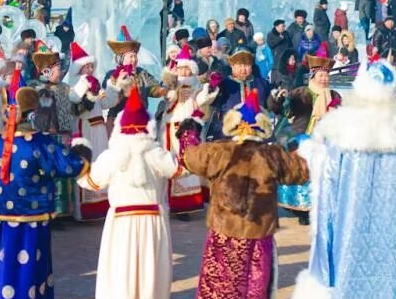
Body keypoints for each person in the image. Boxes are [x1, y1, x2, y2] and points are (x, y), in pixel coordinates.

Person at [290, 61, 396, 299]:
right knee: (388, 283)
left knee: (346, 279)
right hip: (392, 230)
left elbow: (328, 195)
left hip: (349, 228)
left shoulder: (340, 130)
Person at [184, 90, 308, 299]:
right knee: (252, 289)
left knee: (221, 286)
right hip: (257, 234)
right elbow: (301, 172)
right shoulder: (272, 155)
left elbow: (190, 157)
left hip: (223, 233)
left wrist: (189, 133)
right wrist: (295, 148)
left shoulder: (219, 151)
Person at [0, 87, 88, 299]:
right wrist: (83, 153)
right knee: (25, 266)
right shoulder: (40, 143)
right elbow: (70, 166)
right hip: (29, 221)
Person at [76, 87, 182, 299]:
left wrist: (80, 158)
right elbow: (178, 170)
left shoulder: (112, 155)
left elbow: (90, 181)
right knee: (149, 274)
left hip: (122, 223)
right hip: (151, 222)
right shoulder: (155, 152)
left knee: (121, 274)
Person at [268, 46, 340, 225]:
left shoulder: (334, 95)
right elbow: (281, 109)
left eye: (326, 75)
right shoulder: (301, 93)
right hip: (301, 138)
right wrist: (278, 98)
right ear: (313, 76)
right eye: (320, 75)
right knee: (301, 173)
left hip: (326, 141)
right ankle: (299, 209)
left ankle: (318, 207)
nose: (324, 79)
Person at [159, 46, 219, 216]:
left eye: (187, 69)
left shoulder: (196, 87)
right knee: (175, 162)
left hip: (191, 129)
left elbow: (201, 101)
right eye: (181, 68)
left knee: (192, 162)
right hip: (173, 130)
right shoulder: (172, 86)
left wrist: (210, 89)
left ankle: (190, 201)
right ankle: (174, 202)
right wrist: (170, 82)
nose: (184, 72)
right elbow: (168, 96)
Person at [28, 42, 75, 217]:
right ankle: (50, 209)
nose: (61, 72)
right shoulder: (37, 88)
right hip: (47, 136)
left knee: (64, 169)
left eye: (60, 68)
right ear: (46, 71)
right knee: (49, 171)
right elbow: (42, 114)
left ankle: (64, 211)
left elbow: (70, 109)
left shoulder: (63, 87)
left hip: (63, 136)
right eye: (56, 69)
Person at [67, 42, 110, 221]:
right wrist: (86, 84)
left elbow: (106, 104)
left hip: (99, 128)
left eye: (92, 66)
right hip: (85, 128)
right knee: (88, 162)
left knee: (101, 161)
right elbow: (74, 98)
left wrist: (112, 90)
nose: (90, 69)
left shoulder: (96, 83)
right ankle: (85, 209)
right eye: (87, 66)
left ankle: (102, 204)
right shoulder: (76, 83)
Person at [101, 26, 165, 135]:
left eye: (135, 56)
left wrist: (166, 87)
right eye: (131, 56)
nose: (134, 60)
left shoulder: (142, 73)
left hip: (140, 121)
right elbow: (107, 98)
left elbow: (155, 90)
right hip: (117, 122)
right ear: (121, 58)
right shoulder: (112, 75)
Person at [208, 47, 270, 139]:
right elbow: (212, 102)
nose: (243, 69)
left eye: (246, 65)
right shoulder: (224, 84)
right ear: (232, 66)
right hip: (230, 134)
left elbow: (271, 106)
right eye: (239, 66)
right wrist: (212, 87)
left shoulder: (262, 83)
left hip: (257, 134)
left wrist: (276, 98)